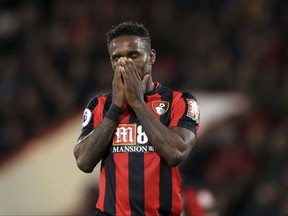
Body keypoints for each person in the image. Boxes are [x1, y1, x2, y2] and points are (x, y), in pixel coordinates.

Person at [73, 20, 200, 216]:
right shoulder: (99, 105)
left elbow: (176, 152)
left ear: (151, 56)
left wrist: (137, 103)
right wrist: (116, 107)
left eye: (133, 55)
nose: (125, 63)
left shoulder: (179, 101)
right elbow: (84, 161)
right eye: (117, 58)